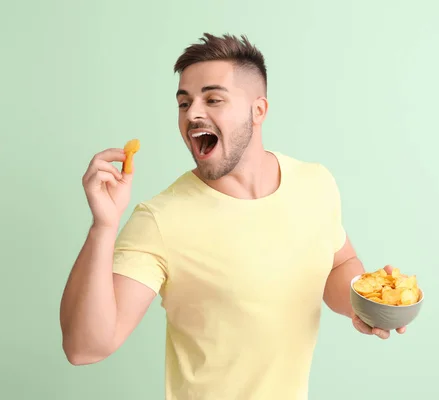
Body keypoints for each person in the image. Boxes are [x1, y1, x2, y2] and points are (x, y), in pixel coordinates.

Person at [59, 33, 406, 399]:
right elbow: (84, 348)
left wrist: (364, 304)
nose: (192, 113)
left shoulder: (315, 183)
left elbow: (338, 263)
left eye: (213, 99)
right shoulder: (161, 219)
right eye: (184, 103)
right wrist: (104, 226)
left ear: (259, 110)